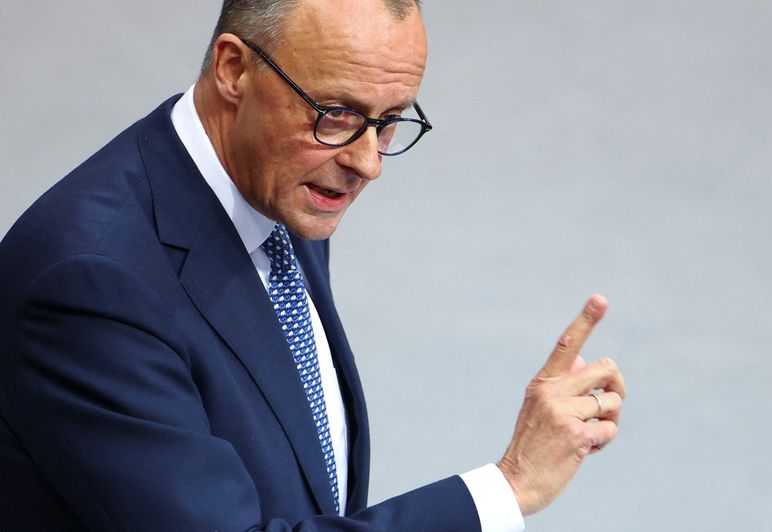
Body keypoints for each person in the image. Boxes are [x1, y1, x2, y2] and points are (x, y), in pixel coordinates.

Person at [0, 0, 626, 530]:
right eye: (337, 113)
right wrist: (508, 487)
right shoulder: (91, 284)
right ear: (233, 69)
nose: (368, 162)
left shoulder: (280, 186)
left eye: (388, 122)